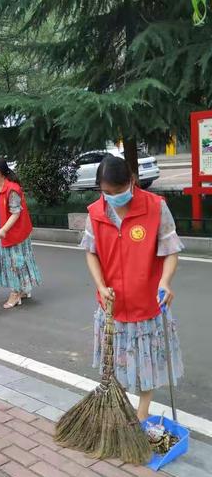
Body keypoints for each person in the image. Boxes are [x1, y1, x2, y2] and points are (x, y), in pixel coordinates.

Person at [81, 155, 184, 421]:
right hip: (112, 307)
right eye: (106, 192)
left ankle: (141, 413)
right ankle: (122, 408)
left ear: (132, 181)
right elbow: (90, 252)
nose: (112, 197)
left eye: (118, 191)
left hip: (147, 304)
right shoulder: (96, 212)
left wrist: (165, 281)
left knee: (146, 366)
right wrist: (100, 285)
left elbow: (171, 251)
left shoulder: (155, 207)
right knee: (115, 364)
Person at [0, 157, 42, 308]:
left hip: (15, 230)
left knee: (14, 262)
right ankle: (23, 289)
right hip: (4, 226)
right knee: (13, 261)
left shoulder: (12, 189)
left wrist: (3, 230)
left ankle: (15, 293)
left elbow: (16, 213)